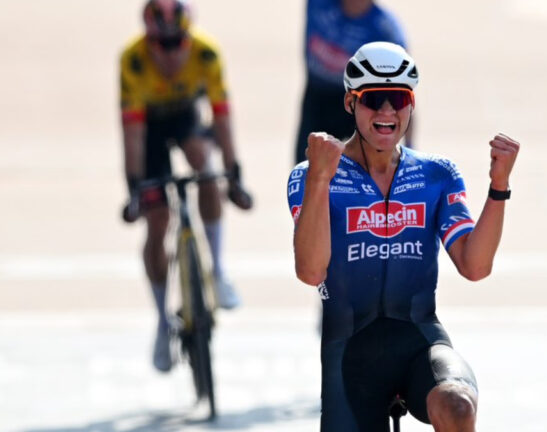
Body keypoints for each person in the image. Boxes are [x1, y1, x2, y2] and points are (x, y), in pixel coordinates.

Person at [287, 42, 520, 431]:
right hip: (350, 355)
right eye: (373, 99)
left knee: (457, 408)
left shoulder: (437, 175)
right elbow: (311, 271)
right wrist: (319, 179)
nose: (386, 112)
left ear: (411, 103)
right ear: (350, 103)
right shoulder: (310, 175)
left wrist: (499, 186)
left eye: (398, 98)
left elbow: (475, 266)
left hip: (419, 341)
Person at [119, 0, 253, 372]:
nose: (171, 55)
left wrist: (234, 173)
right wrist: (134, 188)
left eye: (178, 44)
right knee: (157, 219)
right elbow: (131, 133)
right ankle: (162, 321)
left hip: (185, 118)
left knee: (206, 170)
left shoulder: (206, 52)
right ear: (149, 41)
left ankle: (219, 270)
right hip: (148, 130)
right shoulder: (132, 61)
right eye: (162, 47)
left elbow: (222, 117)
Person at [294, 0, 412, 166]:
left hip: (362, 105)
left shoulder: (385, 31)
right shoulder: (319, 4)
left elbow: (403, 91)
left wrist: (411, 150)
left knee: (364, 173)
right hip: (317, 98)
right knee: (305, 168)